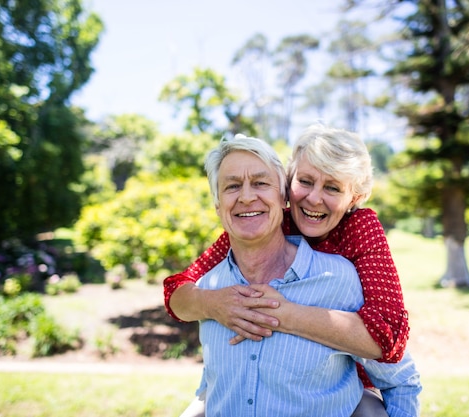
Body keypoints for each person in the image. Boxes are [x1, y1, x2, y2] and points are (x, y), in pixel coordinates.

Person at [165, 125, 408, 397]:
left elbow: (387, 335)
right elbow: (177, 288)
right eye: (305, 182)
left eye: (332, 188)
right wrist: (213, 303)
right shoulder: (270, 220)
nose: (314, 198)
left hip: (347, 380)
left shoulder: (359, 228)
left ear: (356, 198)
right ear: (288, 182)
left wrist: (279, 314)